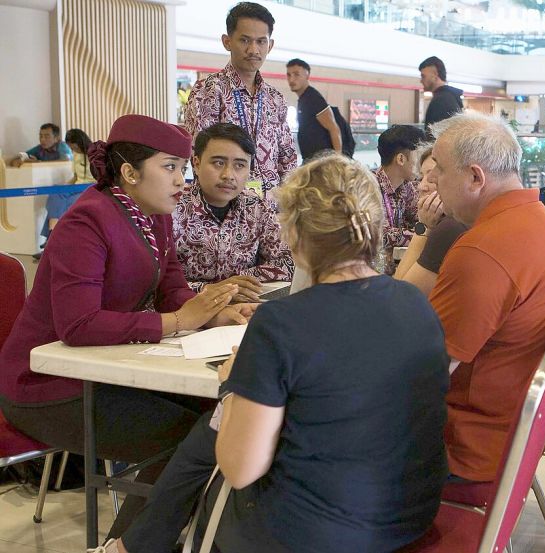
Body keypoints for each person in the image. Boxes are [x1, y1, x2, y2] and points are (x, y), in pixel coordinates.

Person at [96, 154, 449, 553]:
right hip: (409, 514)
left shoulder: (281, 323)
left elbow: (240, 467)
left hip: (311, 533)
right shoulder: (416, 303)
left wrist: (233, 384)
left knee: (214, 436)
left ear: (294, 235)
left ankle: (131, 545)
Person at [0, 114, 254, 542]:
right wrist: (178, 321)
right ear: (130, 173)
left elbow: (172, 286)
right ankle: (127, 544)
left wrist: (211, 314)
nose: (181, 180)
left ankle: (160, 539)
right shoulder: (88, 221)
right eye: (169, 167)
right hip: (47, 385)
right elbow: (78, 324)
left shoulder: (154, 215)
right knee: (193, 436)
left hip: (104, 367)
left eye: (182, 168)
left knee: (221, 416)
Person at [427, 113, 545, 482]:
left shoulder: (483, 250)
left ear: (475, 177)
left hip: (465, 444)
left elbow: (425, 375)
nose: (430, 179)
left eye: (439, 169)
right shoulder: (542, 222)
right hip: (515, 430)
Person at [184, 2, 297, 200]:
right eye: (245, 40)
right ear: (227, 41)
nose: (253, 50)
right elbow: (198, 156)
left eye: (261, 42)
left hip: (270, 212)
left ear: (270, 45)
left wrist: (288, 198)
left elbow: (287, 158)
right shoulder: (208, 90)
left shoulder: (275, 99)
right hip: (223, 209)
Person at [173, 123, 294, 300]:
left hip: (242, 308)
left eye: (239, 165)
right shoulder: (172, 208)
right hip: (185, 313)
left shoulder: (256, 207)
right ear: (196, 164)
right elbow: (156, 282)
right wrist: (212, 289)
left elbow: (287, 261)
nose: (228, 175)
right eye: (218, 163)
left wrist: (239, 282)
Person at [394, 145, 467, 296]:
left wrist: (424, 227)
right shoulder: (456, 221)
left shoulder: (450, 228)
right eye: (421, 177)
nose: (421, 186)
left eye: (432, 176)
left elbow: (401, 293)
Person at [374, 124, 426, 274]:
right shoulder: (369, 186)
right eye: (419, 155)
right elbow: (378, 234)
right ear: (401, 159)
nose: (421, 163)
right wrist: (423, 235)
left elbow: (420, 220)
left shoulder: (408, 186)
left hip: (396, 268)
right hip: (374, 272)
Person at [42, 128, 95, 240]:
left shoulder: (95, 154)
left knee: (69, 202)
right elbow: (75, 177)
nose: (73, 150)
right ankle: (52, 233)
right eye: (71, 148)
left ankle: (52, 238)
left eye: (74, 147)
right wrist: (64, 187)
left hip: (90, 188)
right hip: (77, 185)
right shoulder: (76, 155)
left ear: (81, 143)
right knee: (55, 192)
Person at [285, 58, 343, 163]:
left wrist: (337, 162)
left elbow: (334, 129)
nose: (291, 80)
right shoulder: (304, 99)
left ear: (307, 76)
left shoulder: (313, 98)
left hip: (321, 162)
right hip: (311, 160)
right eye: (289, 75)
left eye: (296, 74)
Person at [419, 56, 463, 138]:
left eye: (423, 76)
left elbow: (435, 139)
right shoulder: (450, 97)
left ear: (435, 74)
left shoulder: (441, 101)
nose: (421, 80)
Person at [8, 123, 73, 167]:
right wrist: (22, 161)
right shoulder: (39, 148)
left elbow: (65, 161)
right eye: (41, 136)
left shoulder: (63, 146)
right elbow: (19, 158)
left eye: (46, 136)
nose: (42, 139)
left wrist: (39, 163)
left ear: (56, 138)